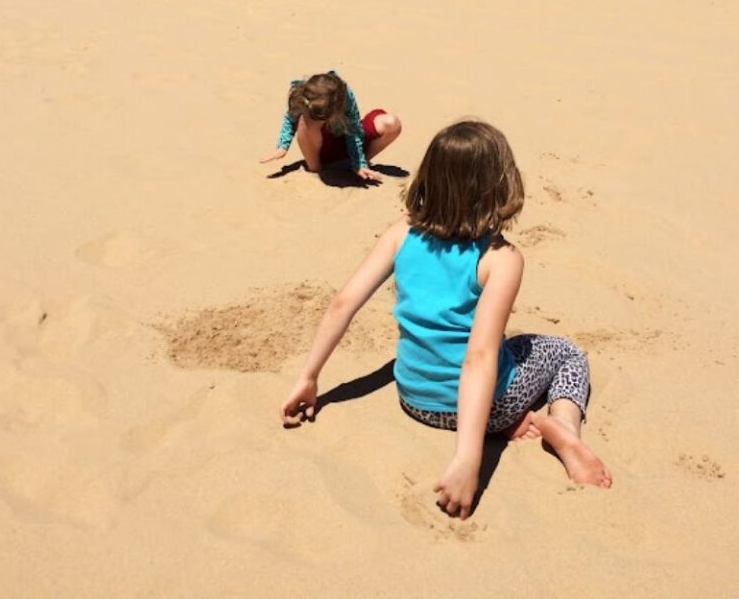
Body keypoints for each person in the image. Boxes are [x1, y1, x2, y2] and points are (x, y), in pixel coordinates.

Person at [280, 120, 612, 518]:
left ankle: (504, 426)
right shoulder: (501, 259)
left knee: (497, 346)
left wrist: (309, 377)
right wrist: (467, 462)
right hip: (489, 408)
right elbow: (479, 356)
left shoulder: (403, 232)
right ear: (500, 185)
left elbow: (343, 304)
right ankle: (564, 430)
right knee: (563, 352)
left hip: (415, 399)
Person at [261, 71, 401, 183]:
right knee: (307, 119)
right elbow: (290, 117)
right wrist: (283, 146)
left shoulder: (344, 96)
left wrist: (359, 162)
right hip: (319, 145)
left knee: (391, 123)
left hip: (343, 136)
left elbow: (353, 130)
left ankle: (354, 165)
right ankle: (317, 170)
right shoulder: (305, 94)